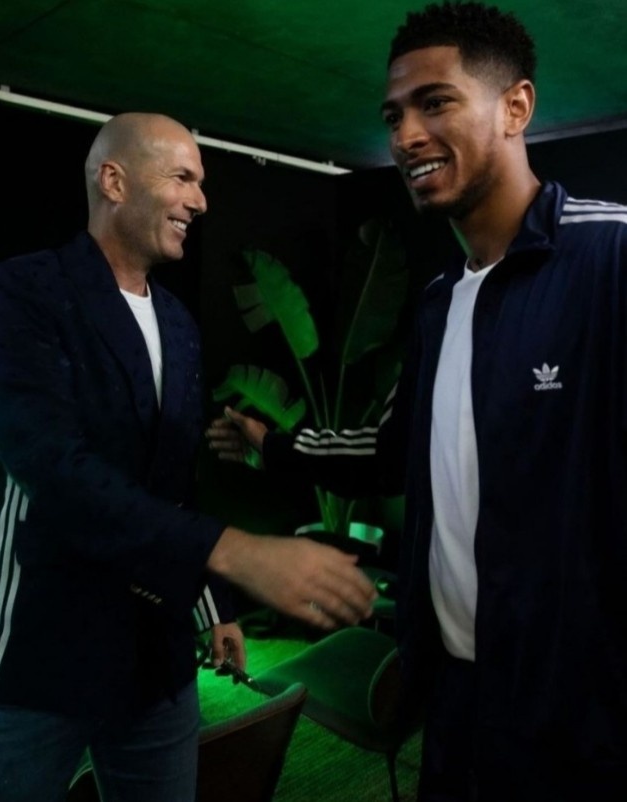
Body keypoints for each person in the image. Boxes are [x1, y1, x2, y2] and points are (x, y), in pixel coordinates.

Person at [206, 3, 627, 800]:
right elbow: (395, 445)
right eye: (393, 116)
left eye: (434, 103)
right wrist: (274, 443)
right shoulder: (439, 302)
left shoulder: (608, 258)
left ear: (515, 108)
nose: (405, 136)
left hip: (587, 718)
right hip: (458, 700)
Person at [0, 112, 376, 802]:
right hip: (35, 658)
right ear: (114, 181)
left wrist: (211, 607)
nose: (200, 201)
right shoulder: (23, 291)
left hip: (155, 662)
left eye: (201, 183)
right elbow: (55, 470)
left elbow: (174, 484)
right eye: (183, 177)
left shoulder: (177, 321)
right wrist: (236, 553)